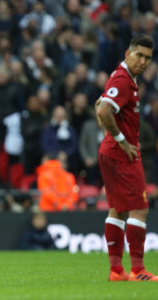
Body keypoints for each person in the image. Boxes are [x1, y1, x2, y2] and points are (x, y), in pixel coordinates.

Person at [96, 34, 158, 281]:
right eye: (139, 55)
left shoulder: (122, 77)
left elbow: (99, 103)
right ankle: (138, 270)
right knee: (140, 209)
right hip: (123, 155)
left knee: (118, 210)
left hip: (111, 153)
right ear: (128, 53)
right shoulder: (123, 80)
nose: (143, 61)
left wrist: (108, 135)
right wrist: (121, 140)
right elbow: (103, 109)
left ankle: (116, 271)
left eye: (148, 58)